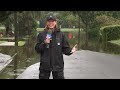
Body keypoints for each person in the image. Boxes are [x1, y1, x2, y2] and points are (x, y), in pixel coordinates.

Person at [35, 15, 77, 79]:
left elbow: (65, 48)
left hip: (58, 65)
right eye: (49, 21)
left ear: (55, 22)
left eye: (53, 21)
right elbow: (37, 49)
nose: (51, 23)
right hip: (45, 66)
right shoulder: (41, 34)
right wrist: (44, 43)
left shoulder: (61, 34)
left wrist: (71, 51)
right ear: (46, 22)